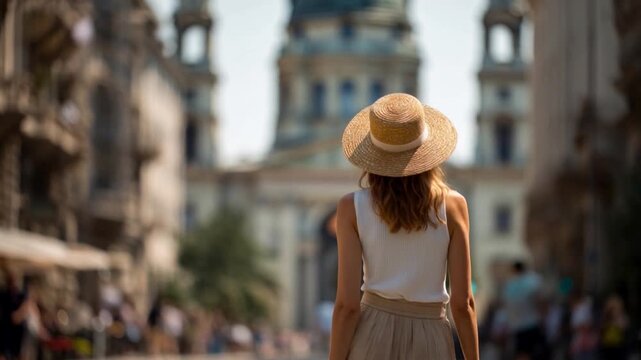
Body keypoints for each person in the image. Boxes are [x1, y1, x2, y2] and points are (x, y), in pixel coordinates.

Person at [329, 93, 479, 360]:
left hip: (372, 334)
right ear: (427, 152)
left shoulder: (351, 207)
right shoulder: (454, 205)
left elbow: (347, 306)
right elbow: (463, 302)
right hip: (431, 336)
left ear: (372, 157)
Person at [502, 261, 546, 360]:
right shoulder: (533, 281)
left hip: (517, 326)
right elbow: (541, 302)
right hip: (533, 323)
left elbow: (507, 306)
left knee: (522, 354)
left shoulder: (509, 286)